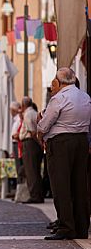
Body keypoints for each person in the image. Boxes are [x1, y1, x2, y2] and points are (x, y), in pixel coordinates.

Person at [38, 68, 91, 240]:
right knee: (79, 184)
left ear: (58, 82)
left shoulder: (59, 98)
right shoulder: (85, 97)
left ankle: (66, 226)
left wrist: (40, 129)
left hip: (60, 143)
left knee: (61, 185)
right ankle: (81, 226)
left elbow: (45, 124)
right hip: (81, 141)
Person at [19, 96, 44, 204]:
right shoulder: (34, 112)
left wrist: (39, 143)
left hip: (30, 144)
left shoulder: (28, 114)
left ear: (23, 105)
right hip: (34, 144)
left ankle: (35, 196)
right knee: (35, 171)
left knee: (31, 171)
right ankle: (38, 194)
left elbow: (32, 132)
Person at [10, 101, 23, 183]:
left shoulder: (18, 120)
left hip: (18, 143)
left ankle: (20, 184)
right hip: (15, 143)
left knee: (19, 166)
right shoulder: (15, 120)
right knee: (17, 166)